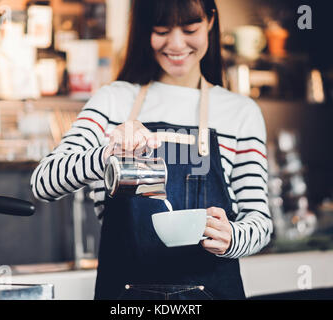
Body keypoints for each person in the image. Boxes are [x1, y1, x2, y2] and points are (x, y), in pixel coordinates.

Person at [31, 0, 272, 300]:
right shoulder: (113, 102)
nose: (176, 43)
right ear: (145, 30)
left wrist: (233, 237)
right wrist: (107, 155)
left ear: (210, 21)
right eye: (161, 30)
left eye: (189, 28)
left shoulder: (240, 113)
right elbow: (43, 182)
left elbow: (260, 221)